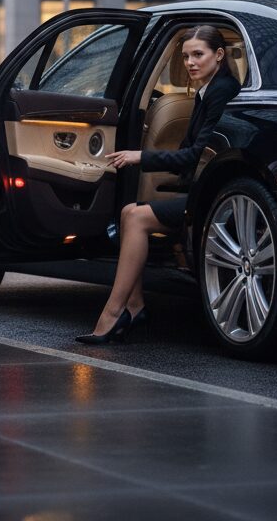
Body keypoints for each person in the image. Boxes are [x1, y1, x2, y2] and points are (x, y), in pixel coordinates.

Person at [76, 25, 241, 344]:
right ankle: (134, 306)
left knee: (136, 218)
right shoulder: (208, 90)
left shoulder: (221, 91)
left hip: (212, 199)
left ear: (219, 55)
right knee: (128, 212)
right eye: (186, 57)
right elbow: (190, 152)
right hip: (203, 191)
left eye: (198, 55)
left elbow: (195, 154)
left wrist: (140, 156)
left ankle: (112, 313)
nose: (190, 63)